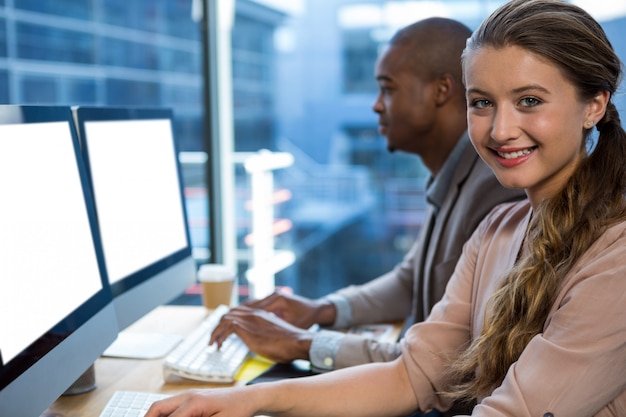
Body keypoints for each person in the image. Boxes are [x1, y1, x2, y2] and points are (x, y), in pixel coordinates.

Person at [146, 0, 626, 415]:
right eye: (482, 103)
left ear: (594, 106)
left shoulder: (616, 254)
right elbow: (411, 376)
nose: (500, 130)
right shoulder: (499, 226)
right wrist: (244, 402)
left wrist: (300, 348)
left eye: (528, 100)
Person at [210, 16, 524, 389]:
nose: (377, 106)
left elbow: (444, 365)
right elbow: (411, 280)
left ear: (441, 91)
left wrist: (300, 343)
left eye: (388, 89)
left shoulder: (496, 189)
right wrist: (321, 310)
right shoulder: (456, 175)